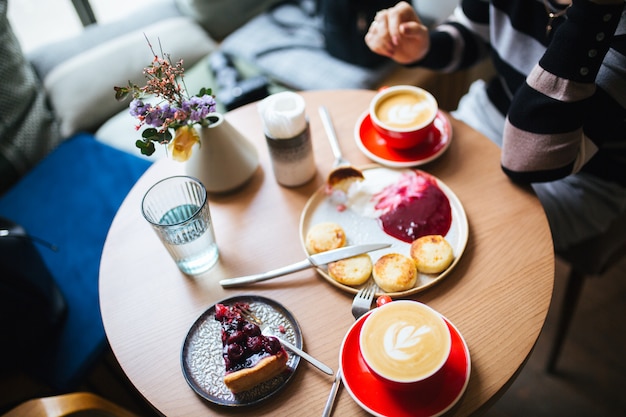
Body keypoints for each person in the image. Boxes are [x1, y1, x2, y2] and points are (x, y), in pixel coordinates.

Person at [365, 0, 626, 253]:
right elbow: (473, 32)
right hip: (489, 116)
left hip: (574, 178)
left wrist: (594, 13)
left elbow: (529, 159)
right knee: (399, 202)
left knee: (469, 245)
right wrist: (424, 46)